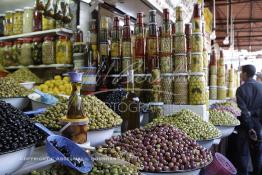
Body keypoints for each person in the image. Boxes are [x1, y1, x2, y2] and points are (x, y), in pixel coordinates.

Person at [235, 64, 262, 175]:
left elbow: (244, 112)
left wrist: (250, 128)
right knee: (258, 153)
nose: (240, 74)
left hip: (245, 127)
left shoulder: (241, 90)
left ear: (245, 73)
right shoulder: (261, 87)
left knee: (243, 154)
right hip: (258, 125)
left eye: (241, 72)